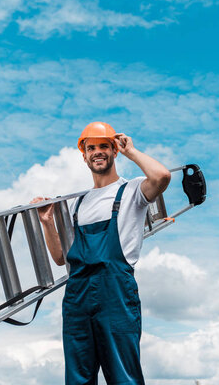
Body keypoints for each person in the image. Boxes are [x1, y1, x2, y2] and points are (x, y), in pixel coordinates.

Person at [31, 121, 171, 384]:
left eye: (104, 146)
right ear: (83, 155)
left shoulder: (132, 191)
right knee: (78, 378)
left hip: (115, 294)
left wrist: (131, 151)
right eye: (91, 147)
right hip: (77, 297)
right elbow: (62, 257)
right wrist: (48, 223)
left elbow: (162, 177)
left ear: (114, 150)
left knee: (123, 376)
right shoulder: (78, 203)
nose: (98, 152)